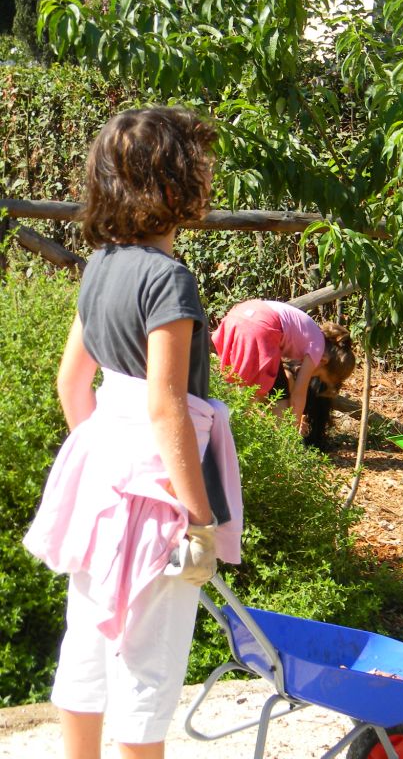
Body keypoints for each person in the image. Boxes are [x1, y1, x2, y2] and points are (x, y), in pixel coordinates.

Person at [22, 108, 243, 759]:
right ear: (174, 188)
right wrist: (199, 522)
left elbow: (72, 384)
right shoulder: (168, 280)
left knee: (86, 644)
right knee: (147, 664)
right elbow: (168, 406)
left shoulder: (98, 268)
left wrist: (105, 465)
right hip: (158, 499)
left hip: (97, 489)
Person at [211, 301, 354, 431]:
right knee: (249, 397)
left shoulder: (312, 334)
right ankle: (240, 437)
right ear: (324, 362)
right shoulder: (318, 350)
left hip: (237, 315)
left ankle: (232, 430)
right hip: (261, 327)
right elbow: (299, 394)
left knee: (244, 386)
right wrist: (293, 429)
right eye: (318, 375)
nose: (313, 376)